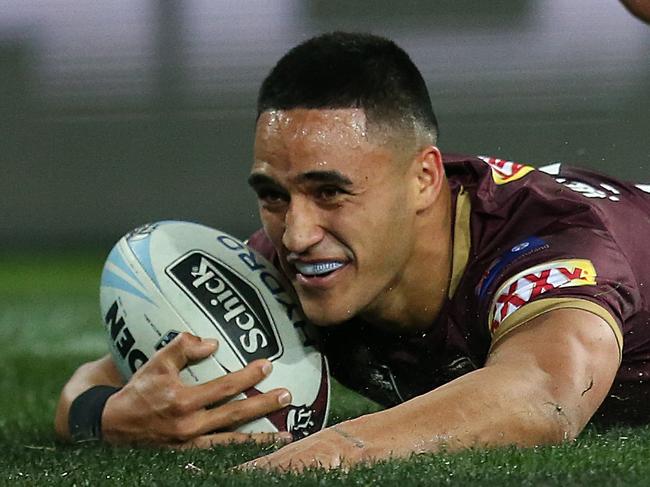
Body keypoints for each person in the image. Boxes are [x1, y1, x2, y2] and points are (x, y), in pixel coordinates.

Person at [55, 32, 650, 472]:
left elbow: (542, 397)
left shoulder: (551, 246)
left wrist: (331, 449)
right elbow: (98, 382)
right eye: (274, 195)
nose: (296, 234)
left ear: (423, 179)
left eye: (329, 192)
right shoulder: (294, 263)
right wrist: (105, 417)